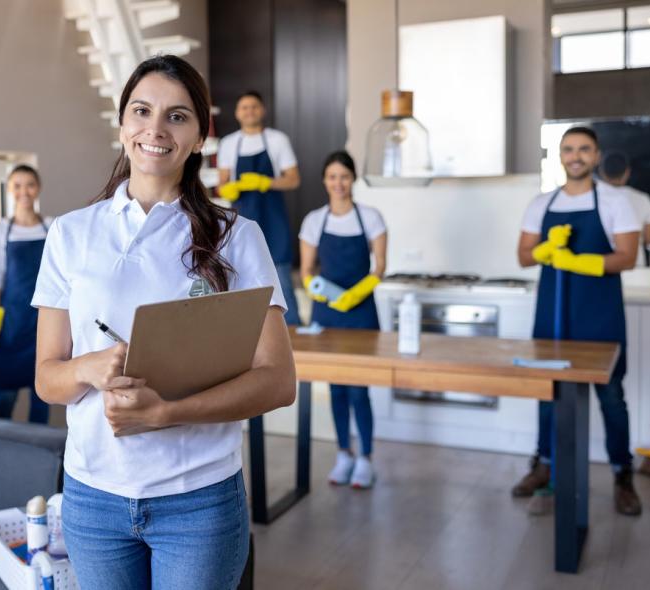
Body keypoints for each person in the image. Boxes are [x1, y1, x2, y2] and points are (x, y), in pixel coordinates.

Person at [31, 55, 296, 590]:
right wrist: (88, 367)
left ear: (200, 137)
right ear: (123, 124)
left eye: (177, 116)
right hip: (92, 497)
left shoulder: (237, 237)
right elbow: (46, 379)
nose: (155, 129)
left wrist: (167, 413)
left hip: (197, 501)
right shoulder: (70, 233)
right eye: (141, 111)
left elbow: (278, 380)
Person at [515, 127, 642, 516]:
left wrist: (577, 261)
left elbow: (628, 257)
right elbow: (523, 257)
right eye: (568, 149)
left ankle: (622, 474)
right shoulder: (541, 203)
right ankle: (545, 465)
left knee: (611, 396)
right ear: (560, 156)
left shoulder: (616, 202)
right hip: (552, 315)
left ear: (596, 154)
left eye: (584, 149)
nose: (576, 156)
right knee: (548, 394)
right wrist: (547, 250)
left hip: (599, 315)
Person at [299, 150, 386, 489]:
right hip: (326, 312)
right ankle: (343, 454)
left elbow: (380, 265)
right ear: (325, 180)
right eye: (332, 177)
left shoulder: (371, 217)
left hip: (362, 310)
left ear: (354, 179)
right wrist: (315, 290)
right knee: (335, 387)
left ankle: (366, 457)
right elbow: (307, 270)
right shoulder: (314, 220)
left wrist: (358, 292)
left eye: (344, 176)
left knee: (359, 388)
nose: (339, 183)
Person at [216, 90, 302, 325]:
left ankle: (293, 331)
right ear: (237, 113)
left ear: (262, 110)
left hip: (274, 221)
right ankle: (245, 331)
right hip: (242, 221)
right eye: (244, 107)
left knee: (281, 279)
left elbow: (293, 179)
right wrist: (228, 189)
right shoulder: (229, 143)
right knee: (241, 278)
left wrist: (265, 182)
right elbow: (222, 185)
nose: (249, 111)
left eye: (254, 106)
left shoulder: (277, 140)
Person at [0, 164, 53, 423]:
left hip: (46, 321)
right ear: (10, 190)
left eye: (29, 184)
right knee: (5, 398)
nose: (24, 191)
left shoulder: (52, 226)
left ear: (38, 188)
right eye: (17, 185)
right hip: (11, 323)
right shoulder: (1, 230)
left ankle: (39, 459)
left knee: (42, 396)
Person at [600, 150, 650, 267]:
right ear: (627, 172)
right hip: (636, 268)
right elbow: (649, 239)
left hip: (603, 266)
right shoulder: (643, 199)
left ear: (601, 172)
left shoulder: (590, 198)